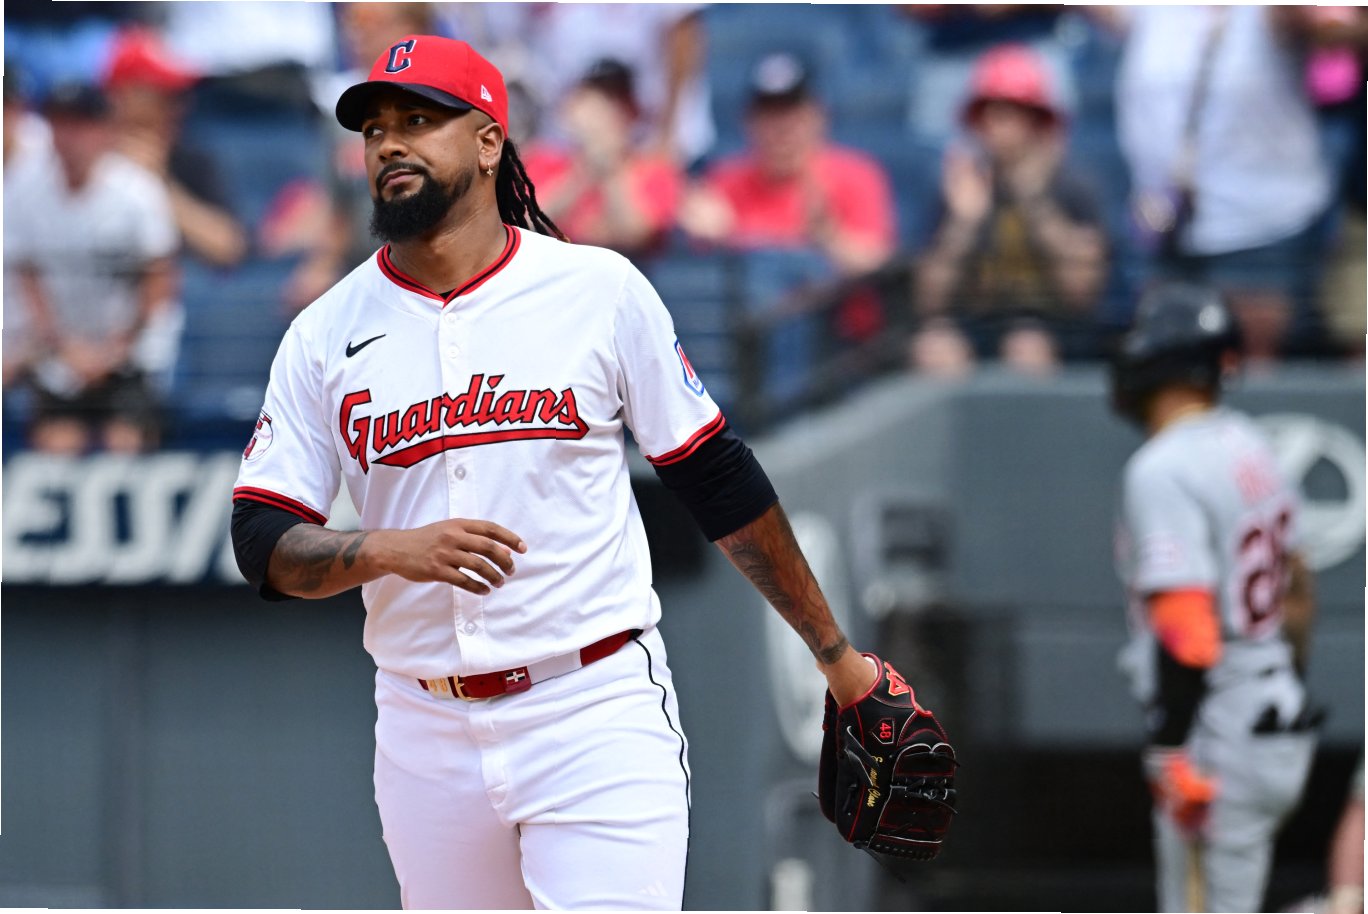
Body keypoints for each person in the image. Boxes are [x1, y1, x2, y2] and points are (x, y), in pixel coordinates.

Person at [229, 36, 896, 909]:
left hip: (589, 706)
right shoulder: (324, 332)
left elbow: (715, 476)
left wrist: (838, 659)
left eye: (419, 120)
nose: (389, 143)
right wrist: (390, 549)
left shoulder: (596, 290)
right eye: (375, 128)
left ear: (488, 142)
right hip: (423, 726)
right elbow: (261, 539)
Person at [1109, 282, 1319, 913]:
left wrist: (1171, 749)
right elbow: (1300, 589)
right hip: (1273, 710)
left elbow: (1187, 627)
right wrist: (1282, 681)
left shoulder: (1163, 466)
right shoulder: (1249, 441)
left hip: (1215, 724)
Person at [1113, 6, 1334, 364]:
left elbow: (1325, 24)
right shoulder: (1152, 9)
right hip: (1165, 223)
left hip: (1259, 224)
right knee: (1166, 364)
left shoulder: (1267, 12)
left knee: (1250, 368)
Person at [911, 43, 1107, 377]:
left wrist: (1034, 202)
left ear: (1036, 122)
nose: (992, 127)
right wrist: (963, 224)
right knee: (935, 348)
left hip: (1055, 325)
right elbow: (928, 301)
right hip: (978, 322)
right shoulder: (961, 187)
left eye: (1006, 114)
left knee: (1026, 346)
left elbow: (1082, 293)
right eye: (984, 115)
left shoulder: (1072, 188)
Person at [5, 81, 178, 454]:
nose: (70, 137)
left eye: (81, 125)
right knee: (56, 446)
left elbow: (159, 280)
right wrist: (64, 346)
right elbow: (28, 276)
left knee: (125, 443)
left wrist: (114, 350)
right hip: (59, 353)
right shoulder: (23, 189)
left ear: (104, 130)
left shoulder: (137, 192)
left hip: (129, 353)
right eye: (60, 124)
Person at [679, 52, 897, 278]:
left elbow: (878, 266)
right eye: (769, 116)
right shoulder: (723, 183)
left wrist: (828, 238)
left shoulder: (857, 176)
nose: (782, 129)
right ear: (748, 123)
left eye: (792, 115)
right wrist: (714, 238)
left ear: (817, 117)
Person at [520, 58, 683, 257]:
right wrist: (581, 176)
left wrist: (610, 172)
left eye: (617, 101)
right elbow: (523, 227)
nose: (607, 110)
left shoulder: (655, 169)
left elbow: (636, 237)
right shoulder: (543, 161)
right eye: (598, 98)